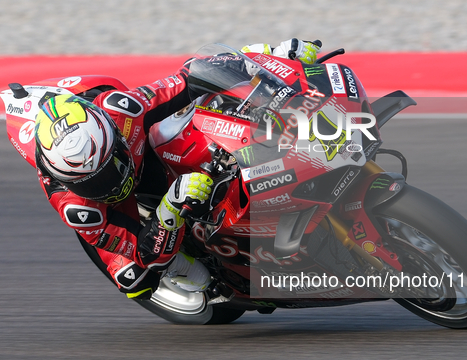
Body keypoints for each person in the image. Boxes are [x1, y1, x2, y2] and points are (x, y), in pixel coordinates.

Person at [33, 39, 321, 300]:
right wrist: (170, 207)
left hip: (148, 152)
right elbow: (145, 252)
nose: (111, 183)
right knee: (136, 280)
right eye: (93, 182)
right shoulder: (79, 209)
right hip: (128, 216)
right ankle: (196, 275)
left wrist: (272, 56)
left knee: (211, 101)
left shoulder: (122, 110)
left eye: (112, 165)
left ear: (116, 135)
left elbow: (191, 76)